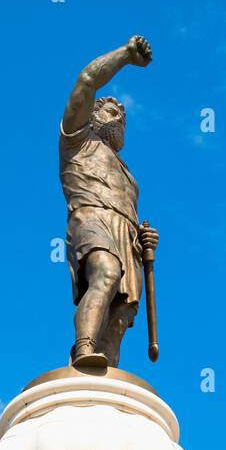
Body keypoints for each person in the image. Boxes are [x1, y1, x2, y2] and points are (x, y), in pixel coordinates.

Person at [59, 36, 160, 368]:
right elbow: (87, 79)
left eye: (123, 118)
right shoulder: (77, 141)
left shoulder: (130, 175)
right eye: (112, 111)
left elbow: (133, 214)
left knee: (122, 312)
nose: (119, 120)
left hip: (126, 233)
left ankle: (106, 373)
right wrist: (126, 56)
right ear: (93, 114)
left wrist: (144, 238)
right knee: (105, 273)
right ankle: (83, 347)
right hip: (91, 218)